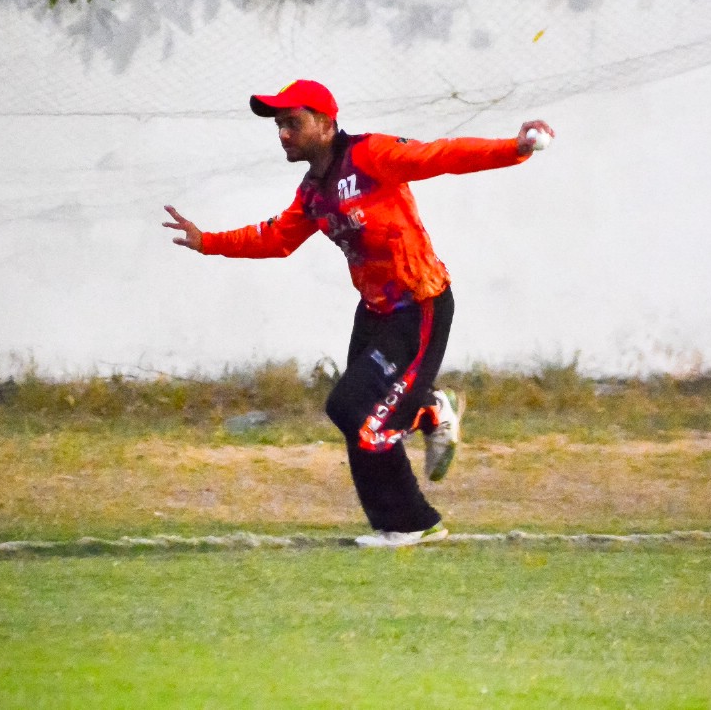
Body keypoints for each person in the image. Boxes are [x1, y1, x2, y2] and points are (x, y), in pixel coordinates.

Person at [163, 79, 553, 548]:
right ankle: (398, 520)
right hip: (374, 313)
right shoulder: (313, 192)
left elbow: (440, 155)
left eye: (293, 122)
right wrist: (208, 241)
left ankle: (422, 464)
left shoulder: (370, 155)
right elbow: (277, 238)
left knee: (362, 415)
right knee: (350, 416)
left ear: (327, 124)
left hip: (419, 306)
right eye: (279, 125)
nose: (283, 133)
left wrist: (514, 148)